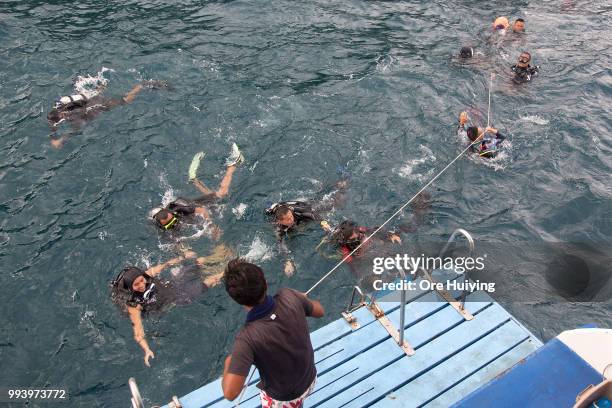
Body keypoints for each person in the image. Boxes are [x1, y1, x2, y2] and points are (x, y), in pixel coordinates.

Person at [221, 259, 325, 407]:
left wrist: (228, 363)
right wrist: (301, 299)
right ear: (265, 281)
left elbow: (230, 393)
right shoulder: (289, 295)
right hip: (310, 378)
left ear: (236, 299)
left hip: (285, 400)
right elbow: (320, 311)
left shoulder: (246, 338)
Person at [111, 246, 233, 366]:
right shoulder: (134, 304)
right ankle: (229, 270)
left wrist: (181, 258)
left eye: (142, 280)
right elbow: (138, 332)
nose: (142, 285)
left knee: (196, 265)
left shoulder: (146, 275)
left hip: (172, 286)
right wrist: (147, 349)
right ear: (130, 287)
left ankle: (223, 251)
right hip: (174, 300)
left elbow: (165, 265)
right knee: (205, 284)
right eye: (136, 285)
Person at [151, 143, 244, 241]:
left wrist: (212, 226)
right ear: (162, 226)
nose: (174, 224)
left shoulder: (178, 208)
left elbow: (202, 210)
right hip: (182, 208)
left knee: (222, 193)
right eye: (169, 225)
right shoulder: (159, 228)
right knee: (210, 195)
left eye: (174, 221)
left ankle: (233, 164)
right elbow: (172, 242)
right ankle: (194, 180)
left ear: (173, 214)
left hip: (191, 205)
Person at [47, 80, 166, 148]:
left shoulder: (71, 116)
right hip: (91, 102)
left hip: (97, 106)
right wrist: (53, 137)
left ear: (62, 115)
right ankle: (101, 88)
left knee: (125, 100)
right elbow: (53, 123)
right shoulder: (58, 108)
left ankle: (140, 86)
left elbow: (76, 128)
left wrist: (62, 139)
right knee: (99, 98)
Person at [265, 178, 347, 276]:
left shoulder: (297, 210)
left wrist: (324, 223)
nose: (291, 220)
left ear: (291, 212)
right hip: (278, 211)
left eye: (291, 217)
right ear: (280, 221)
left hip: (302, 206)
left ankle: (339, 185)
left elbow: (313, 214)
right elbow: (280, 244)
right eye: (287, 220)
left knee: (330, 204)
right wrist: (288, 261)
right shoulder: (278, 227)